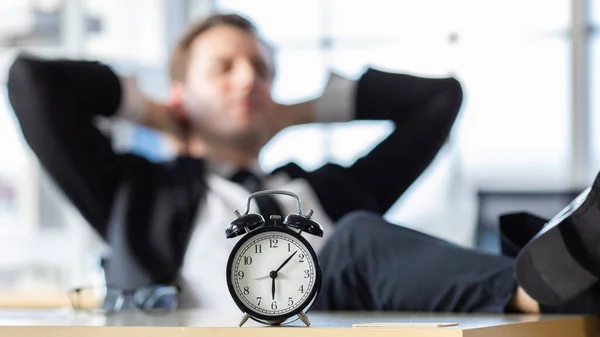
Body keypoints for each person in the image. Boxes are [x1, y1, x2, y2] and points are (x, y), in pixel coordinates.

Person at [6, 12, 600, 315]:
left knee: (354, 240)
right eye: (226, 68)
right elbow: (31, 84)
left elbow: (439, 100)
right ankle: (546, 282)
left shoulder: (330, 188)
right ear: (181, 92)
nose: (250, 80)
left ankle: (549, 281)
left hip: (348, 322)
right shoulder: (137, 195)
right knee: (354, 242)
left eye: (263, 70)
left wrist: (300, 111)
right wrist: (158, 111)